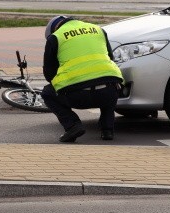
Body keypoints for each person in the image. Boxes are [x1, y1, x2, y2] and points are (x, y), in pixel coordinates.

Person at [41, 15, 124, 143]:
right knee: (110, 82)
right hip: (108, 93)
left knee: (47, 93)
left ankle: (73, 126)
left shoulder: (56, 37)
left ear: (54, 29)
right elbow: (110, 57)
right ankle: (107, 130)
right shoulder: (98, 30)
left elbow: (49, 73)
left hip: (77, 96)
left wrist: (62, 81)